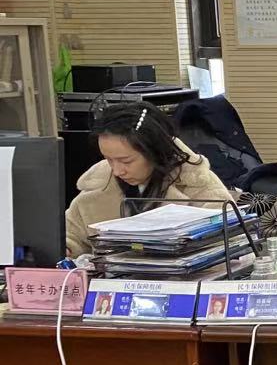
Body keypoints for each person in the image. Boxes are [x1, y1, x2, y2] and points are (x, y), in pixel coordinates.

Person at [65, 101, 233, 256]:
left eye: (126, 161)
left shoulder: (198, 184)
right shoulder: (97, 186)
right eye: (108, 159)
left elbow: (229, 242)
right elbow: (71, 237)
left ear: (155, 151)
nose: (116, 171)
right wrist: (67, 250)